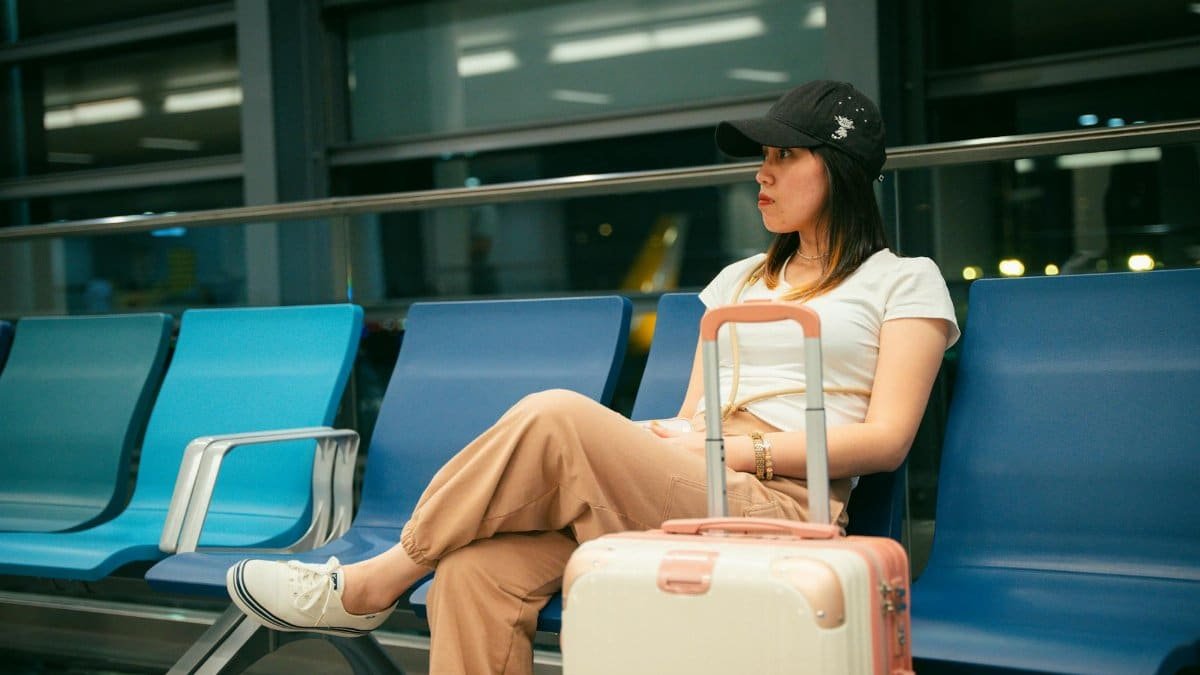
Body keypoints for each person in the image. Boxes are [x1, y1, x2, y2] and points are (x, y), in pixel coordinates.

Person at [226, 80, 960, 674]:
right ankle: (387, 577)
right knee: (474, 575)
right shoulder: (736, 279)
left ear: (840, 170)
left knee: (554, 413)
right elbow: (692, 413)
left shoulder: (902, 281)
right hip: (692, 476)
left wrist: (744, 454)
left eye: (784, 156)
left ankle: (373, 580)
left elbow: (889, 439)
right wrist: (670, 440)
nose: (761, 173)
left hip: (783, 504)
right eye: (761, 155)